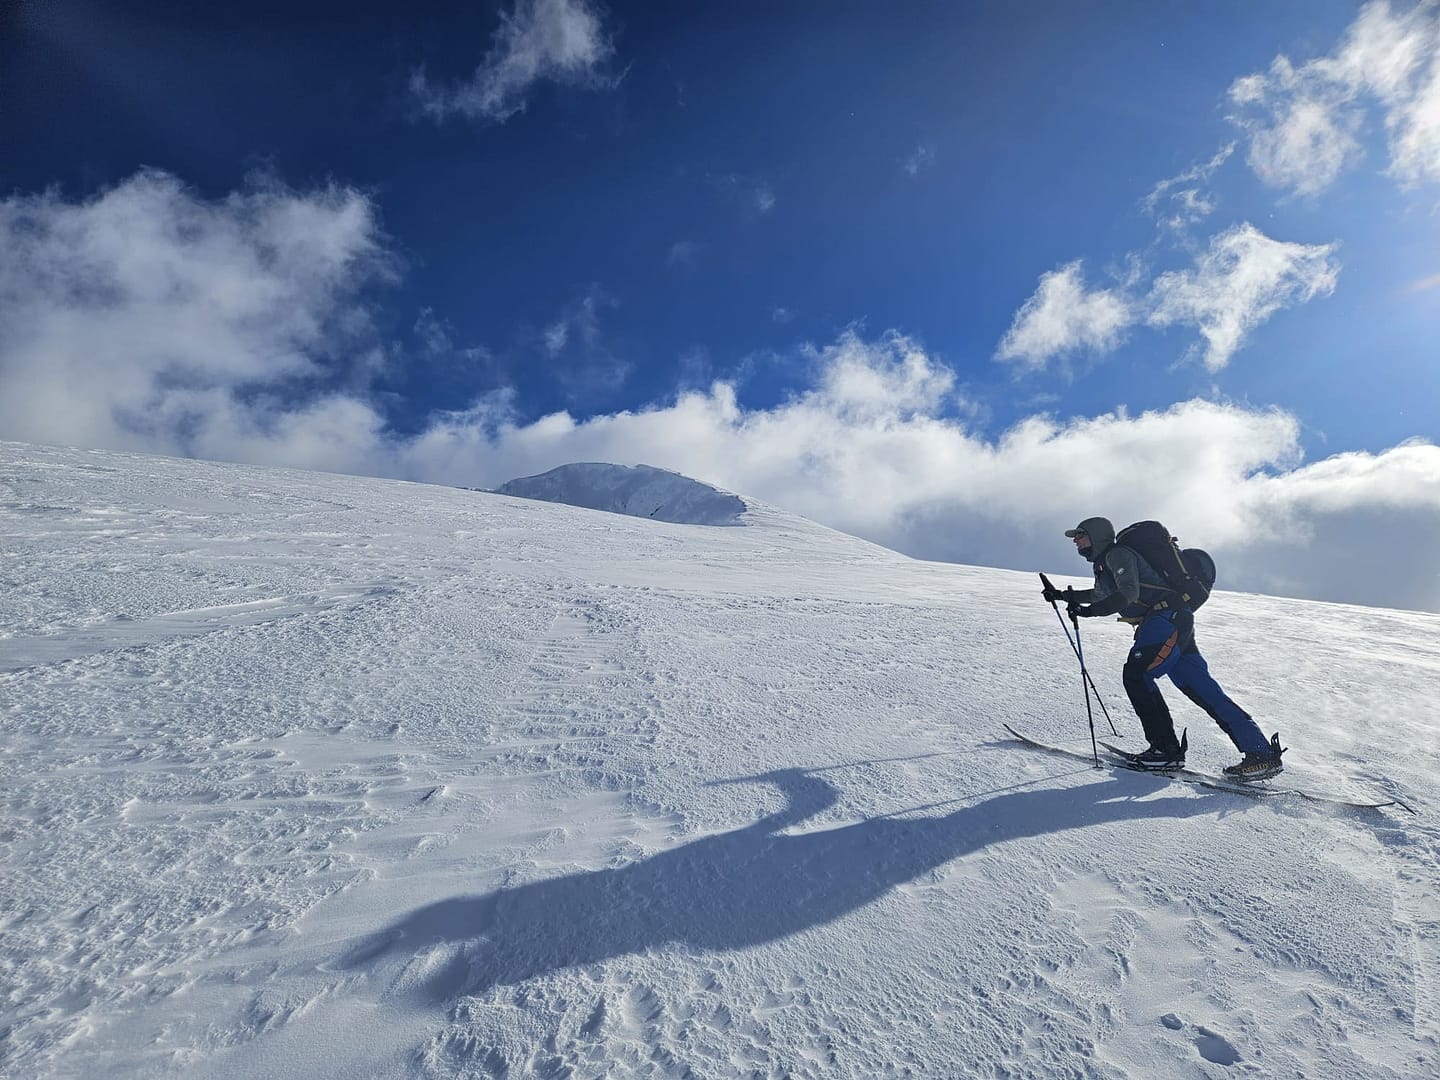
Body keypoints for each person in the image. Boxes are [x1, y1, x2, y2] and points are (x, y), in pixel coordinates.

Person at [1043, 516, 1285, 780]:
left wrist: (1089, 613)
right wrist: (1063, 596)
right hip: (1173, 620)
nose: (1076, 541)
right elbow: (1100, 594)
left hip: (1164, 620)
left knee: (1137, 675)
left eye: (1080, 535)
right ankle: (1260, 755)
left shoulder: (1117, 554)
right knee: (1203, 690)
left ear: (1097, 535)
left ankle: (1165, 751)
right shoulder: (1106, 563)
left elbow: (1128, 594)